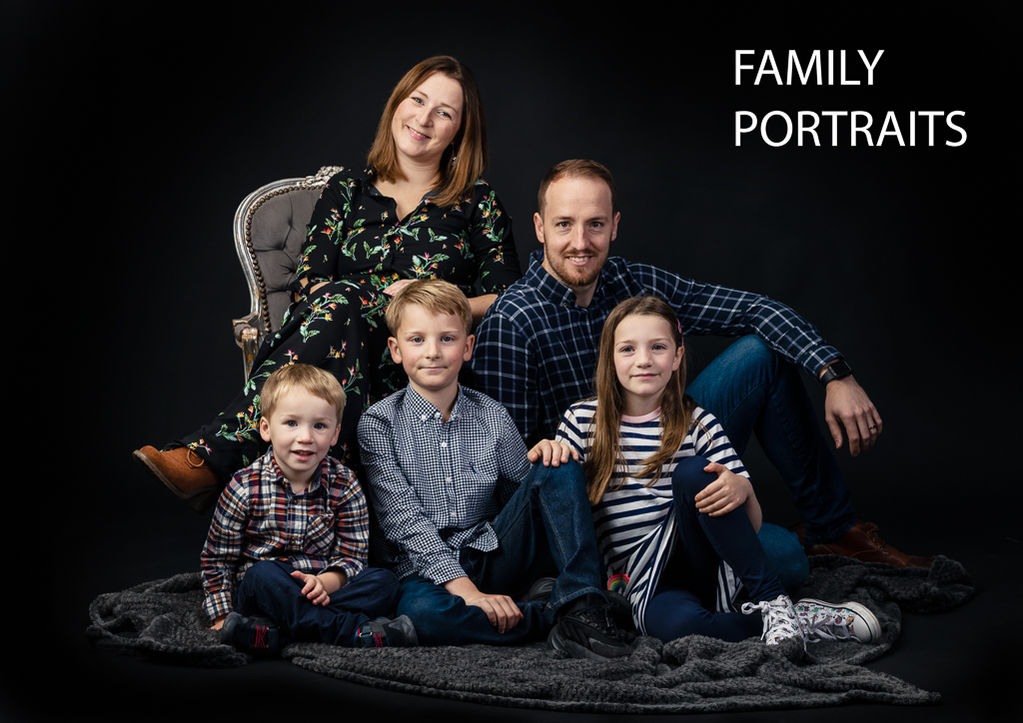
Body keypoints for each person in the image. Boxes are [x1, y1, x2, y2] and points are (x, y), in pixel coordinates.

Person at [468, 159, 929, 568]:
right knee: (785, 556)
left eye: (595, 224)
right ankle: (653, 562)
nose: (580, 242)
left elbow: (754, 309)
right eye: (564, 224)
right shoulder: (513, 320)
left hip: (671, 453)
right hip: (603, 500)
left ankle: (833, 528)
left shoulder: (630, 282)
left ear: (615, 226)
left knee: (762, 352)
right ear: (540, 227)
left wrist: (834, 372)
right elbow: (513, 471)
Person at [135, 55, 521, 511]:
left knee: (343, 303)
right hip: (342, 348)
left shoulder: (476, 201)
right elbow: (311, 284)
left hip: (417, 352)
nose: (424, 117)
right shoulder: (345, 192)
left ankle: (213, 454)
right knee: (340, 304)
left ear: (459, 131)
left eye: (444, 112)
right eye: (417, 100)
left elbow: (507, 295)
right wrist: (368, 299)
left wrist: (440, 299)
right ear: (397, 105)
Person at [555, 295, 881, 645]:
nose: (644, 361)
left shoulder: (698, 422)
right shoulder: (582, 420)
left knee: (695, 472)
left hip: (703, 560)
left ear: (678, 356)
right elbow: (561, 492)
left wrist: (744, 491)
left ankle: (771, 600)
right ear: (610, 358)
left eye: (658, 347)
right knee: (676, 628)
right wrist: (550, 451)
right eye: (628, 350)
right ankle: (798, 620)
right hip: (644, 580)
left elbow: (748, 523)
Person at [357, 279, 633, 659]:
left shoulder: (490, 414)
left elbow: (528, 496)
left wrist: (543, 458)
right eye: (417, 340)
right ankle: (553, 614)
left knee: (559, 462)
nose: (433, 352)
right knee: (423, 618)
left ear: (467, 347)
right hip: (425, 571)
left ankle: (583, 604)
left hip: (490, 551)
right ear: (395, 349)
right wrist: (468, 593)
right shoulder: (379, 423)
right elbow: (403, 521)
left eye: (448, 339)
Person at [201, 363, 416, 655]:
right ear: (266, 428)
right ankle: (351, 632)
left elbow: (353, 556)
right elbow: (218, 558)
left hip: (324, 588)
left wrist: (326, 582)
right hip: (268, 590)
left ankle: (273, 632)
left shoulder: (344, 483)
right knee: (261, 576)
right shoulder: (244, 486)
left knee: (384, 582)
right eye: (291, 423)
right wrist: (223, 616)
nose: (305, 437)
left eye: (319, 426)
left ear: (335, 433)